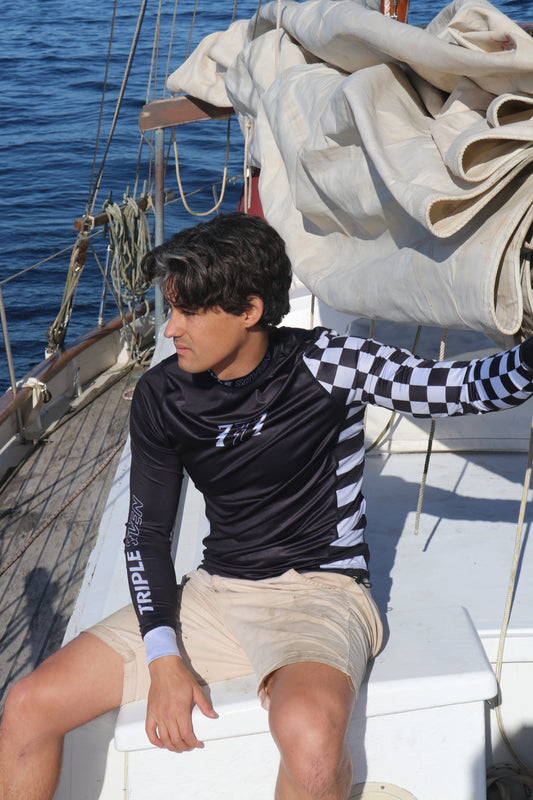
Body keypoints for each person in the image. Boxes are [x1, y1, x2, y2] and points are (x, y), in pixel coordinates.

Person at [2, 211, 533, 800]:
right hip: (215, 592)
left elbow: (463, 389)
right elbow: (145, 535)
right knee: (28, 705)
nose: (170, 329)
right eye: (170, 309)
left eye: (188, 312)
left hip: (319, 593)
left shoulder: (329, 363)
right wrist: (163, 658)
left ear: (249, 310)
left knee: (310, 739)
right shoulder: (162, 393)